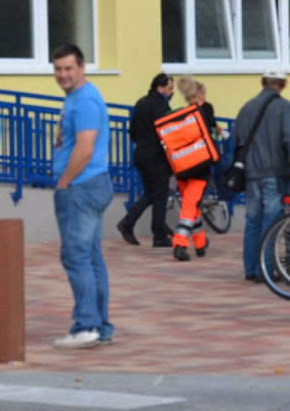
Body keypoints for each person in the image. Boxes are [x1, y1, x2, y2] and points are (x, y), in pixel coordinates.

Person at [51, 44, 115, 349]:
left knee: (77, 256)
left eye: (68, 68)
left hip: (81, 186)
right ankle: (99, 326)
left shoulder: (86, 100)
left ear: (82, 67)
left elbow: (85, 148)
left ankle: (87, 325)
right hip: (88, 185)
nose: (62, 74)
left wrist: (64, 182)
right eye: (57, 68)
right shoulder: (77, 97)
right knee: (89, 257)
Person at [232, 69, 290, 281]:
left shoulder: (246, 107)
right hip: (274, 173)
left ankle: (251, 269)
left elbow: (235, 140)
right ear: (284, 84)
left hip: (250, 174)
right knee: (271, 223)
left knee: (253, 222)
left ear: (263, 82)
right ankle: (266, 271)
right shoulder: (284, 107)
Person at [117, 73, 174, 248]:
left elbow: (132, 132)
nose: (171, 92)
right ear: (160, 87)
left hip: (140, 154)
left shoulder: (141, 102)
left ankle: (127, 223)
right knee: (160, 194)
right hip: (155, 156)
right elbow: (166, 132)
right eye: (170, 88)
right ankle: (159, 236)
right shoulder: (160, 105)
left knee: (150, 193)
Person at [170, 76, 213, 261]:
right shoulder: (205, 109)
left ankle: (200, 242)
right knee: (190, 206)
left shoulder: (182, 114)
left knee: (192, 206)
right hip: (199, 167)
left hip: (182, 167)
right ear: (200, 94)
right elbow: (209, 130)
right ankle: (180, 244)